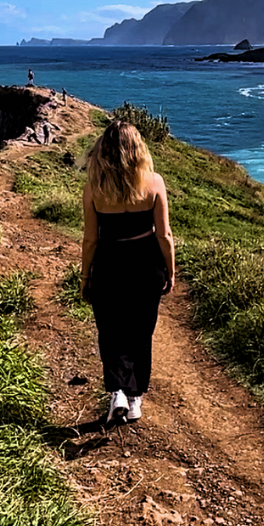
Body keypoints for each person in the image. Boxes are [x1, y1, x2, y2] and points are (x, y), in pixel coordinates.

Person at [80, 121, 175, 425]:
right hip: (147, 263)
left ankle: (117, 392)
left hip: (109, 261)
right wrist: (170, 271)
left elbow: (91, 238)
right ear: (138, 150)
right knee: (140, 331)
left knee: (110, 330)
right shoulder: (154, 182)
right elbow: (164, 235)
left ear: (103, 150)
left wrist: (86, 276)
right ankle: (134, 400)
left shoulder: (94, 187)